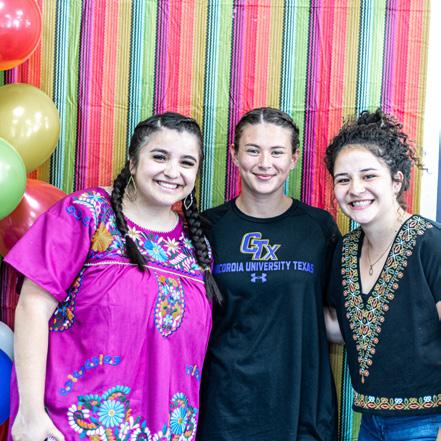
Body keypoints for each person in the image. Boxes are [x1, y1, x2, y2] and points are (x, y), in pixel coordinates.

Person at [5, 112, 221, 441]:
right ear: (132, 162)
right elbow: (33, 307)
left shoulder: (196, 245)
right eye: (159, 156)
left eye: (186, 162)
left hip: (167, 431)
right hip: (72, 426)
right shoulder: (87, 213)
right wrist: (30, 413)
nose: (172, 171)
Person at [196, 107, 339, 441]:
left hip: (302, 409)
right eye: (253, 150)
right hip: (225, 410)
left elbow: (337, 319)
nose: (264, 163)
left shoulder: (319, 227)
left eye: (277, 152)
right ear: (234, 155)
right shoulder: (206, 227)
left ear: (294, 158)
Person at [325, 109, 441, 440]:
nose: (355, 189)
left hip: (427, 423)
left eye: (369, 176)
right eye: (343, 179)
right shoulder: (345, 250)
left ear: (396, 180)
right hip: (371, 423)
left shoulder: (430, 243)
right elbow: (344, 328)